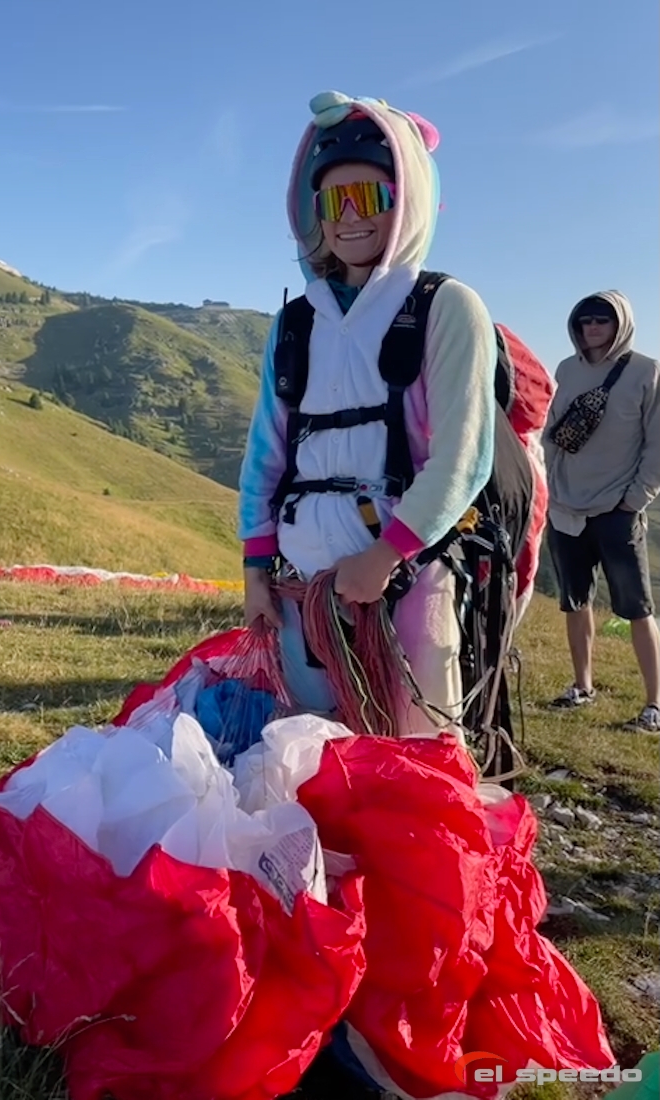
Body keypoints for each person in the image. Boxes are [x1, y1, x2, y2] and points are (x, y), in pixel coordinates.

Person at [238, 90, 497, 739]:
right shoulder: (294, 323)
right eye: (333, 201)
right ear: (312, 212)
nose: (349, 217)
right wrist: (254, 571)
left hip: (404, 586)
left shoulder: (446, 306)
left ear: (405, 202)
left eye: (370, 198)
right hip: (302, 595)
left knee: (417, 752)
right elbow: (266, 455)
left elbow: (462, 456)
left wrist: (383, 556)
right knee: (313, 752)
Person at [544, 292, 660, 732]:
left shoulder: (646, 371)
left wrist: (636, 498)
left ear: (622, 323)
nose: (593, 327)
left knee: (636, 608)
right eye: (586, 319)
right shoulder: (568, 369)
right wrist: (553, 483)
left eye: (603, 320)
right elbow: (554, 429)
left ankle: (654, 706)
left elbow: (657, 443)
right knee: (575, 601)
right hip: (567, 505)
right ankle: (582, 686)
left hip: (618, 507)